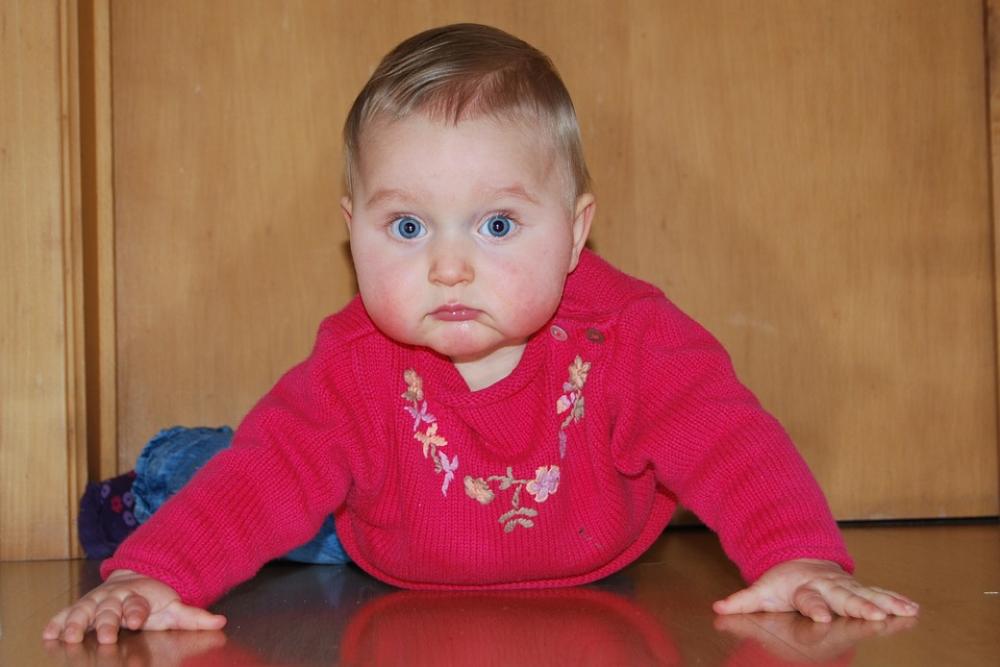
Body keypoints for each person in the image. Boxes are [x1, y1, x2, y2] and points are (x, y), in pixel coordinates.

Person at [44, 23, 918, 645]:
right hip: (383, 533)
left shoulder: (629, 338)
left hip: (583, 542)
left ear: (574, 234)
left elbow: (730, 441)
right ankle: (147, 498)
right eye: (408, 227)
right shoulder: (354, 365)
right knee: (242, 481)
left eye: (497, 225)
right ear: (351, 231)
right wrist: (152, 575)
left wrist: (801, 558)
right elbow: (268, 470)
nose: (449, 267)